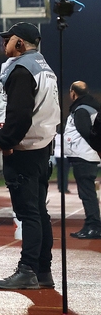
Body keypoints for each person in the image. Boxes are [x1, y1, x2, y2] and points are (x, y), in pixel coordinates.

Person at [0, 22, 60, 291]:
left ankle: (27, 270)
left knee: (28, 213)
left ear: (20, 43)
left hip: (24, 150)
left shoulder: (21, 69)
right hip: (42, 148)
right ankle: (43, 271)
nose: (4, 43)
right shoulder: (44, 68)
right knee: (39, 212)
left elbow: (19, 114)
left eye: (8, 39)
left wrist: (5, 142)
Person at [64, 81, 100, 239]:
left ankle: (94, 226)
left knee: (87, 194)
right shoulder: (90, 107)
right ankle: (92, 225)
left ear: (73, 93)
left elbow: (86, 133)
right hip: (87, 156)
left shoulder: (81, 110)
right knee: (88, 193)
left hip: (83, 157)